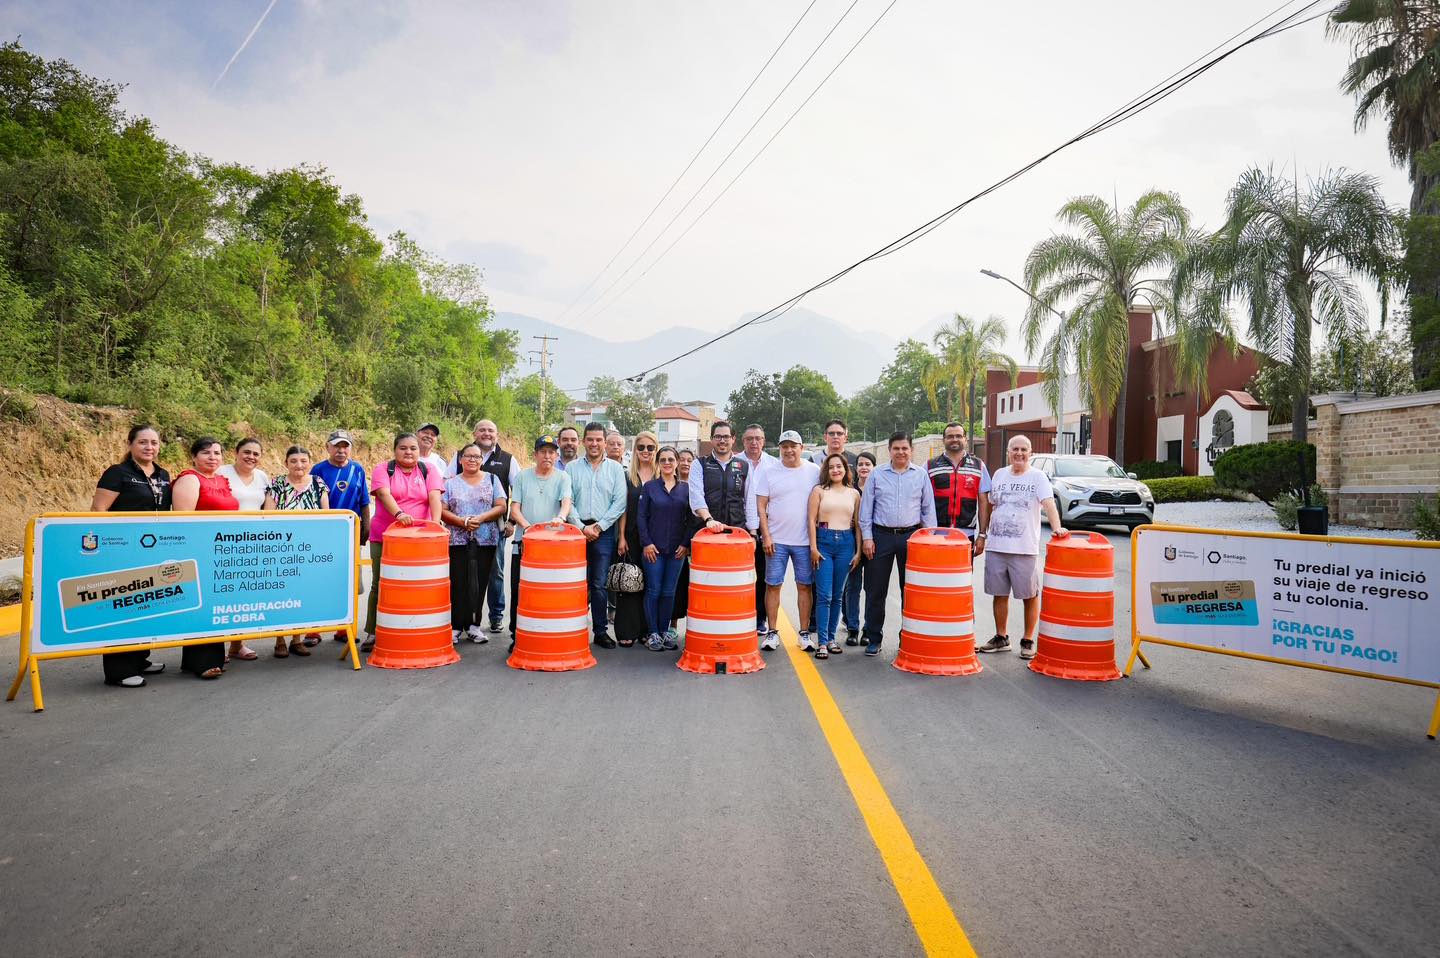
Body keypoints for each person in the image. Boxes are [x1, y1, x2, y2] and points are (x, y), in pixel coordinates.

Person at [90, 425, 172, 688]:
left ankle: (139, 659)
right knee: (123, 608)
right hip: (122, 550)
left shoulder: (163, 475)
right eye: (143, 442)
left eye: (154, 443)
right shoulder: (118, 473)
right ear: (130, 444)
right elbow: (98, 510)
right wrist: (109, 547)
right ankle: (119, 671)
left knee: (145, 604)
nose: (149, 447)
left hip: (152, 550)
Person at [979, 435, 1068, 660]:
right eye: (1015, 449)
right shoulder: (999, 474)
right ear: (1008, 452)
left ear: (1030, 453)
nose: (1019, 453)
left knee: (1029, 595)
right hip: (997, 546)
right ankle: (1001, 637)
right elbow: (990, 505)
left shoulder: (1038, 476)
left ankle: (1028, 640)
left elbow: (1048, 503)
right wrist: (983, 533)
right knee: (999, 594)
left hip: (1024, 548)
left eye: (1023, 449)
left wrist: (1057, 527)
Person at [858, 432, 937, 657]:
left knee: (910, 590)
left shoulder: (920, 475)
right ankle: (874, 637)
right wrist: (867, 538)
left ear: (911, 450)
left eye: (904, 448)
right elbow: (866, 509)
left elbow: (928, 510)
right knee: (875, 590)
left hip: (911, 537)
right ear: (889, 450)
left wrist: (929, 539)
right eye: (896, 448)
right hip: (880, 537)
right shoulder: (877, 474)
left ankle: (908, 637)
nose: (901, 452)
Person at [364, 433, 445, 651]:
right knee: (381, 583)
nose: (408, 452)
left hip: (420, 540)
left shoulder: (429, 470)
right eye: (403, 448)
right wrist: (399, 514)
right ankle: (373, 631)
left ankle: (415, 628)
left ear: (419, 451)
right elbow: (384, 494)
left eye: (413, 448)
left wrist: (435, 524)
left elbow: (435, 497)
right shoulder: (383, 469)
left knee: (418, 584)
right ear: (395, 450)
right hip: (386, 537)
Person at [171, 437, 237, 679]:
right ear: (194, 456)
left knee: (213, 605)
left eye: (217, 453)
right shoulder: (190, 479)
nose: (213, 457)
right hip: (197, 550)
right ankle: (200, 662)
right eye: (206, 452)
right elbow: (183, 521)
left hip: (220, 550)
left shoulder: (221, 479)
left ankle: (212, 657)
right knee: (199, 604)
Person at [755, 430, 821, 651]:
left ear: (802, 448)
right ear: (780, 448)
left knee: (805, 586)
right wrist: (766, 536)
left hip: (804, 541)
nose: (789, 450)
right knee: (773, 585)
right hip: (777, 542)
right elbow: (761, 507)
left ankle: (804, 633)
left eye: (793, 446)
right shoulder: (769, 472)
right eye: (784, 446)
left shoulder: (814, 471)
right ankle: (772, 632)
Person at [263, 445, 330, 656]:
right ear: (286, 463)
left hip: (309, 547)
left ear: (310, 463)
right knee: (281, 594)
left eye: (303, 461)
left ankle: (297, 639)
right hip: (281, 547)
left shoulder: (318, 483)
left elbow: (326, 515)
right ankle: (280, 640)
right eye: (293, 461)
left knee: (302, 592)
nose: (298, 465)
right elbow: (267, 515)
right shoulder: (277, 484)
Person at [507, 435, 574, 639]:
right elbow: (515, 508)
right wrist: (529, 528)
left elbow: (566, 502)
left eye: (552, 452)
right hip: (524, 544)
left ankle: (546, 634)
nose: (547, 456)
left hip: (552, 546)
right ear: (535, 454)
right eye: (543, 452)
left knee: (549, 591)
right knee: (520, 591)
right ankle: (516, 635)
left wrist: (561, 517)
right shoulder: (522, 477)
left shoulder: (563, 477)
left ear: (556, 456)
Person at [441, 442, 507, 645]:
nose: (472, 459)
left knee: (479, 583)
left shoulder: (492, 479)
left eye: (477, 456)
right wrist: (461, 522)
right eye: (468, 456)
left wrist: (481, 518)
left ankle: (474, 626)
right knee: (458, 583)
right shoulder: (450, 483)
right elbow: (442, 509)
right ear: (460, 460)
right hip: (456, 540)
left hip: (486, 539)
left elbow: (501, 506)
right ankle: (456, 626)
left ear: (482, 460)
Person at [568, 422, 628, 648]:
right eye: (590, 439)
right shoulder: (572, 468)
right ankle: (572, 629)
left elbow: (619, 502)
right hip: (576, 531)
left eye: (598, 440)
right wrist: (581, 527)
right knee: (576, 583)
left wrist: (599, 527)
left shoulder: (615, 469)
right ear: (583, 441)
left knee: (599, 584)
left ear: (604, 442)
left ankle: (600, 631)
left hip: (604, 532)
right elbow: (567, 500)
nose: (594, 443)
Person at [312, 429, 370, 641]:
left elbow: (364, 501)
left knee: (348, 582)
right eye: (337, 445)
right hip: (324, 534)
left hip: (351, 533)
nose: (341, 450)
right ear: (327, 447)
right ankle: (313, 629)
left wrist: (366, 528)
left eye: (345, 446)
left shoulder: (357, 469)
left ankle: (343, 629)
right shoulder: (318, 470)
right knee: (320, 581)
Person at [637, 446, 695, 651]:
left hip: (676, 551)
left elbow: (692, 519)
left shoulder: (686, 489)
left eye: (671, 459)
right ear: (658, 463)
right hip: (654, 550)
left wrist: (685, 544)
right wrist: (646, 543)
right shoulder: (650, 487)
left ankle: (663, 631)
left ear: (677, 462)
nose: (667, 463)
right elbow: (641, 517)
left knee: (669, 592)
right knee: (654, 591)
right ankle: (653, 633)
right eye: (663, 460)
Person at [809, 453, 862, 659]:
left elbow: (858, 525)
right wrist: (813, 547)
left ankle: (831, 639)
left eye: (839, 466)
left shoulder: (854, 493)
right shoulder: (819, 491)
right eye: (831, 467)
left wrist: (858, 551)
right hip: (824, 542)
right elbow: (811, 520)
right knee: (824, 595)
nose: (835, 470)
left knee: (838, 595)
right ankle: (822, 642)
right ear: (826, 470)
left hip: (846, 544)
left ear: (845, 469)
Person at [471, 420, 519, 634]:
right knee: (467, 573)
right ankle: (469, 618)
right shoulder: (462, 455)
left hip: (495, 527)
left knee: (495, 572)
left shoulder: (507, 459)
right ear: (474, 433)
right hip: (464, 526)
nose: (486, 433)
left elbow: (519, 492)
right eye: (482, 430)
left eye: (491, 430)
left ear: (497, 435)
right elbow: (448, 485)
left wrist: (512, 521)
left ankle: (496, 616)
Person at [614, 430, 659, 647]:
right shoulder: (627, 476)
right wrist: (621, 536)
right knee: (629, 582)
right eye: (641, 447)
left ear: (656, 449)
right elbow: (622, 509)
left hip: (655, 538)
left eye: (650, 447)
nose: (645, 451)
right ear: (635, 450)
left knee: (650, 585)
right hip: (631, 535)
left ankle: (646, 630)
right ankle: (627, 630)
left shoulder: (662, 475)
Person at [740, 423, 777, 637]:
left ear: (763, 440)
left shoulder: (774, 465)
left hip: (766, 528)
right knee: (739, 576)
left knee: (763, 575)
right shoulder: (735, 462)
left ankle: (760, 618)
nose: (754, 442)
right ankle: (739, 615)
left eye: (758, 438)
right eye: (749, 439)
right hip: (740, 527)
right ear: (742, 441)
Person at [928, 422, 990, 545]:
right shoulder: (930, 465)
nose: (954, 439)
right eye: (950, 436)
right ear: (944, 440)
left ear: (965, 439)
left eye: (958, 436)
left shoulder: (978, 466)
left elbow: (984, 502)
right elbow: (922, 500)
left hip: (966, 535)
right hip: (936, 533)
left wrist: (982, 534)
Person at [841, 451, 877, 644]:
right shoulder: (849, 489)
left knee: (872, 588)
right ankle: (852, 628)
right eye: (860, 464)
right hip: (852, 543)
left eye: (867, 464)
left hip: (872, 543)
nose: (864, 467)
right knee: (852, 586)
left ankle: (868, 630)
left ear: (874, 467)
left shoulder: (878, 488)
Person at [669, 448, 696, 639]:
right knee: (676, 585)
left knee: (694, 585)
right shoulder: (670, 483)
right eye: (682, 459)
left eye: (689, 460)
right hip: (675, 542)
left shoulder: (697, 484)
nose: (685, 463)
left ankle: (695, 627)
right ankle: (672, 625)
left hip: (694, 541)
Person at [219, 438, 268, 511]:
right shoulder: (220, 472)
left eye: (256, 454)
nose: (251, 457)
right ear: (236, 452)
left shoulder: (262, 476)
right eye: (247, 452)